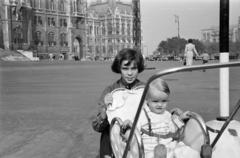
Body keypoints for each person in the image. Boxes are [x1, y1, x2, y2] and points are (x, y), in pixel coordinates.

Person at [124, 78, 200, 158]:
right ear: (147, 101)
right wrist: (129, 124)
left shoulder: (167, 114)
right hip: (149, 150)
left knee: (187, 151)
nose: (160, 105)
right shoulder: (142, 115)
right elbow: (135, 129)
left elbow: (171, 129)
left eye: (164, 101)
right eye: (155, 101)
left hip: (168, 146)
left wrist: (180, 119)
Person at [92, 48, 145, 158]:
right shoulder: (110, 91)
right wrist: (104, 110)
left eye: (133, 68)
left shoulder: (145, 89)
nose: (130, 73)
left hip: (139, 139)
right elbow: (97, 127)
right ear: (119, 68)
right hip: (115, 144)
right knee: (108, 132)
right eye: (125, 69)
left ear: (138, 68)